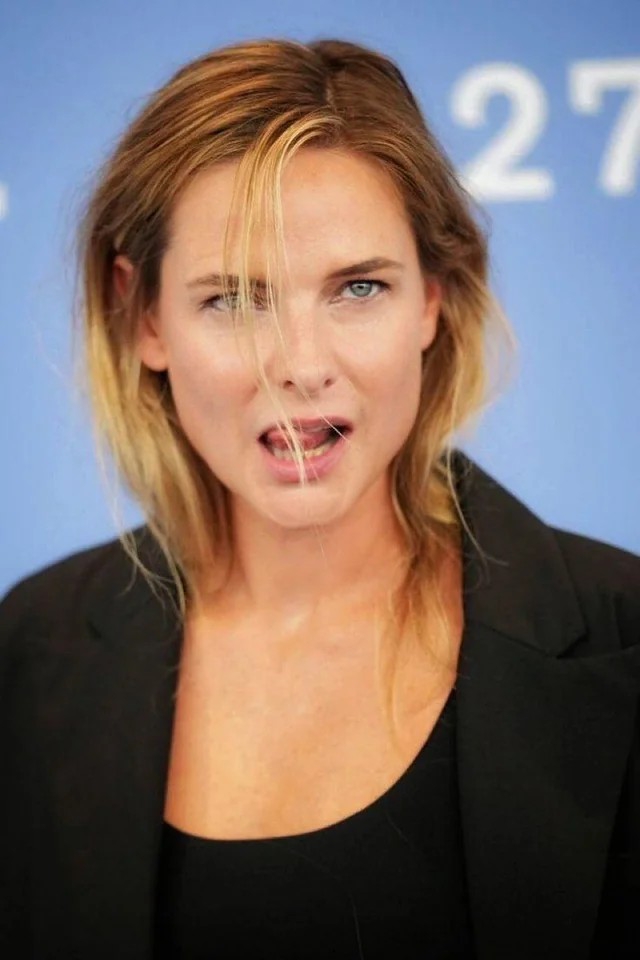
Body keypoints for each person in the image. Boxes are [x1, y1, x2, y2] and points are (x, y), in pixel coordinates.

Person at [0, 36, 638, 960]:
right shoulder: (28, 653)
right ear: (144, 317)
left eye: (359, 288)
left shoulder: (623, 633)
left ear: (432, 300)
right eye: (233, 300)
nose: (300, 365)